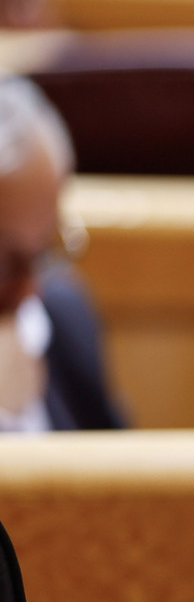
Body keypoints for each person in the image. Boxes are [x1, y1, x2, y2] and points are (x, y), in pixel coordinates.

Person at [0, 78, 120, 432]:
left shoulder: (63, 314)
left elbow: (120, 478)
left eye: (44, 251)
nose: (30, 289)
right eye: (3, 264)